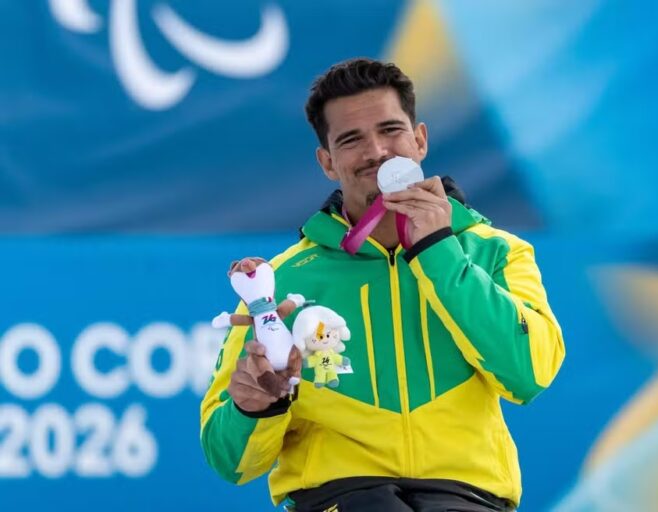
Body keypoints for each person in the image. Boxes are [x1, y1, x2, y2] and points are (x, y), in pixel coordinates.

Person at [200, 58, 565, 512]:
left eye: (391, 130)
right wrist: (255, 407)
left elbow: (529, 375)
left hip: (466, 496)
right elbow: (229, 461)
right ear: (328, 162)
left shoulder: (496, 252)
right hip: (339, 497)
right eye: (351, 139)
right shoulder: (283, 281)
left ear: (420, 140)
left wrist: (437, 250)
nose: (376, 151)